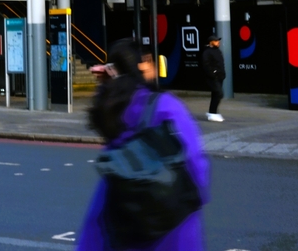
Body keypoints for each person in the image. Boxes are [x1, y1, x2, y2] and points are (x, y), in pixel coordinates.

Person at [78, 39, 210, 250]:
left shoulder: (115, 109)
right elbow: (197, 169)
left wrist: (107, 85)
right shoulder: (166, 106)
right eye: (148, 60)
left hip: (124, 234)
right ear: (142, 64)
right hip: (174, 235)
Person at [200, 35, 225, 122]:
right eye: (216, 41)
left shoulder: (217, 51)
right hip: (212, 78)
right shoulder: (207, 52)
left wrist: (222, 74)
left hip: (219, 77)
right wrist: (213, 74)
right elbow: (206, 65)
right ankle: (213, 113)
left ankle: (213, 112)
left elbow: (220, 64)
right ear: (211, 42)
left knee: (215, 95)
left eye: (218, 40)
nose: (218, 42)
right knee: (219, 94)